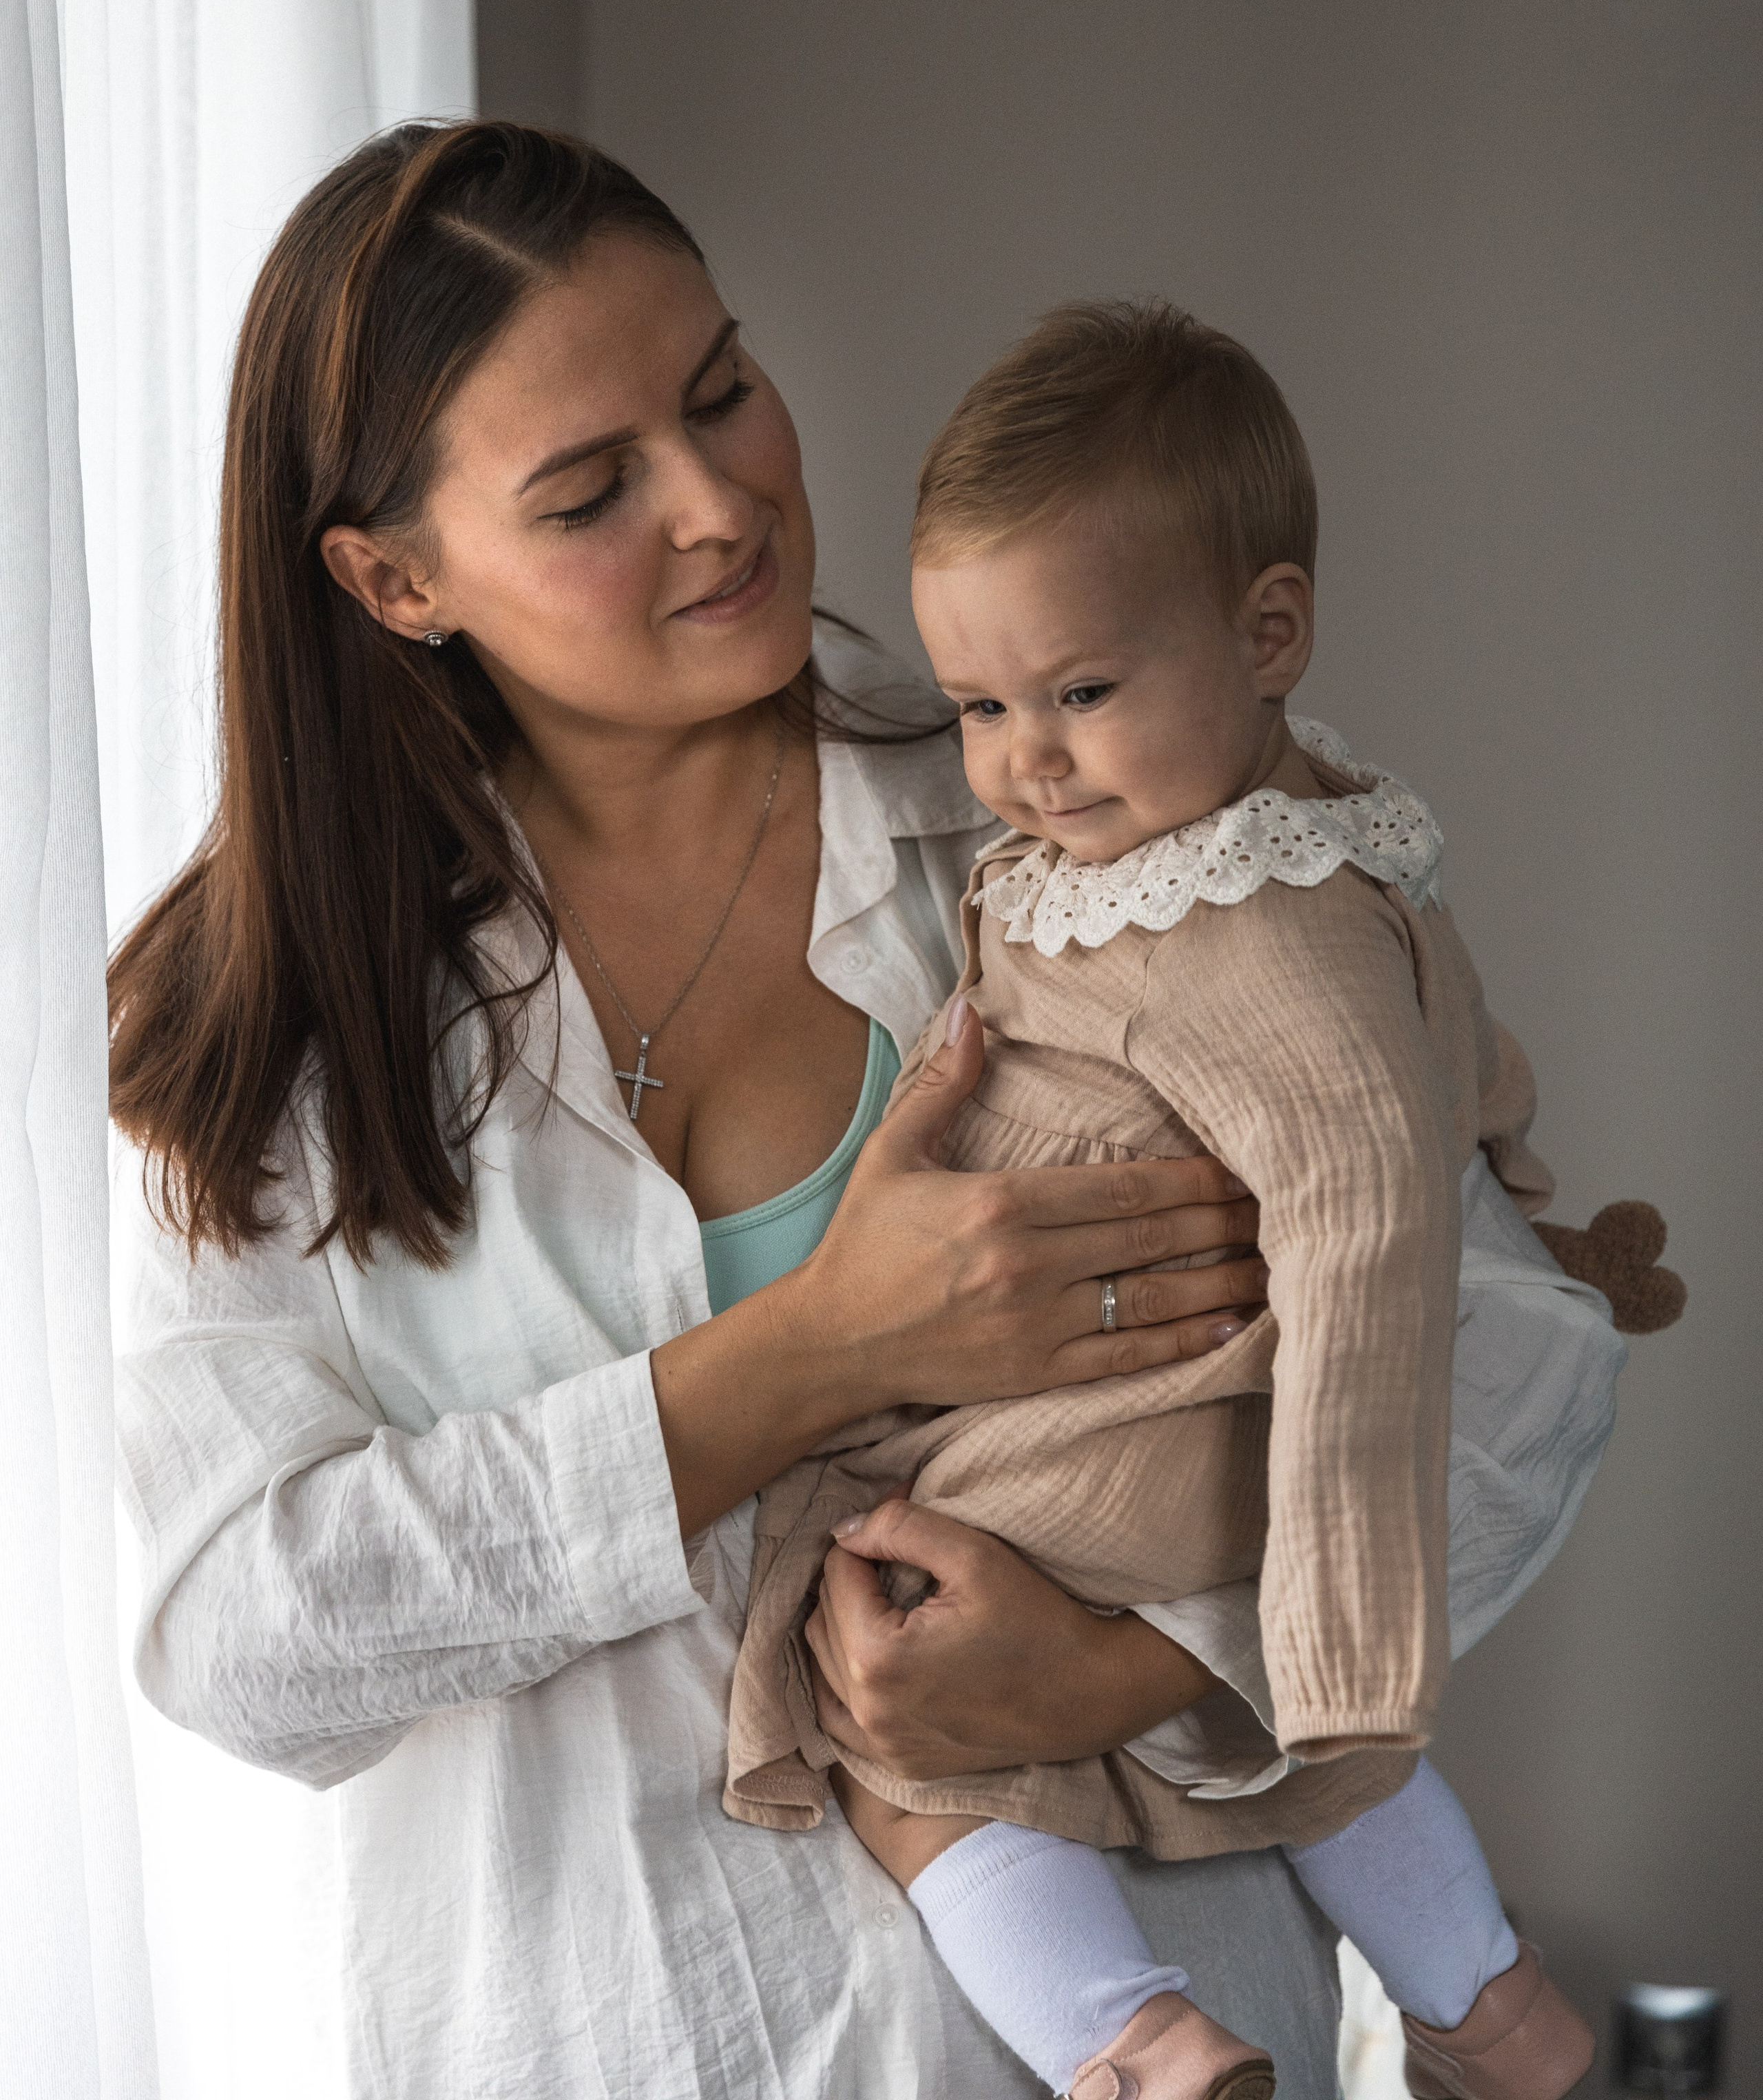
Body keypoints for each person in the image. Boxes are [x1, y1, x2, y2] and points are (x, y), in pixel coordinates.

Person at [109, 123, 1620, 2100]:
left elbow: (1516, 1357)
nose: (722, 504)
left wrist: (1144, 1670)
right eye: (589, 491)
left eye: (723, 390)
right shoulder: (272, 1034)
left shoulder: (1094, 822)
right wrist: (812, 1360)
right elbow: (245, 1640)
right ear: (396, 579)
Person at [726, 303, 1607, 2100]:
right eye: (979, 705)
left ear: (1266, 629)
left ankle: (1131, 2041)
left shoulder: (1245, 933)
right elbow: (1456, 1048)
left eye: (1081, 692)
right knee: (1264, 1734)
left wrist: (1341, 1638)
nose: (1024, 764)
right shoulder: (1293, 841)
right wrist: (1520, 1156)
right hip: (1159, 1427)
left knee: (902, 1734)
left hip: (1119, 1429)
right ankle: (1495, 2010)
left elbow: (1366, 1229)